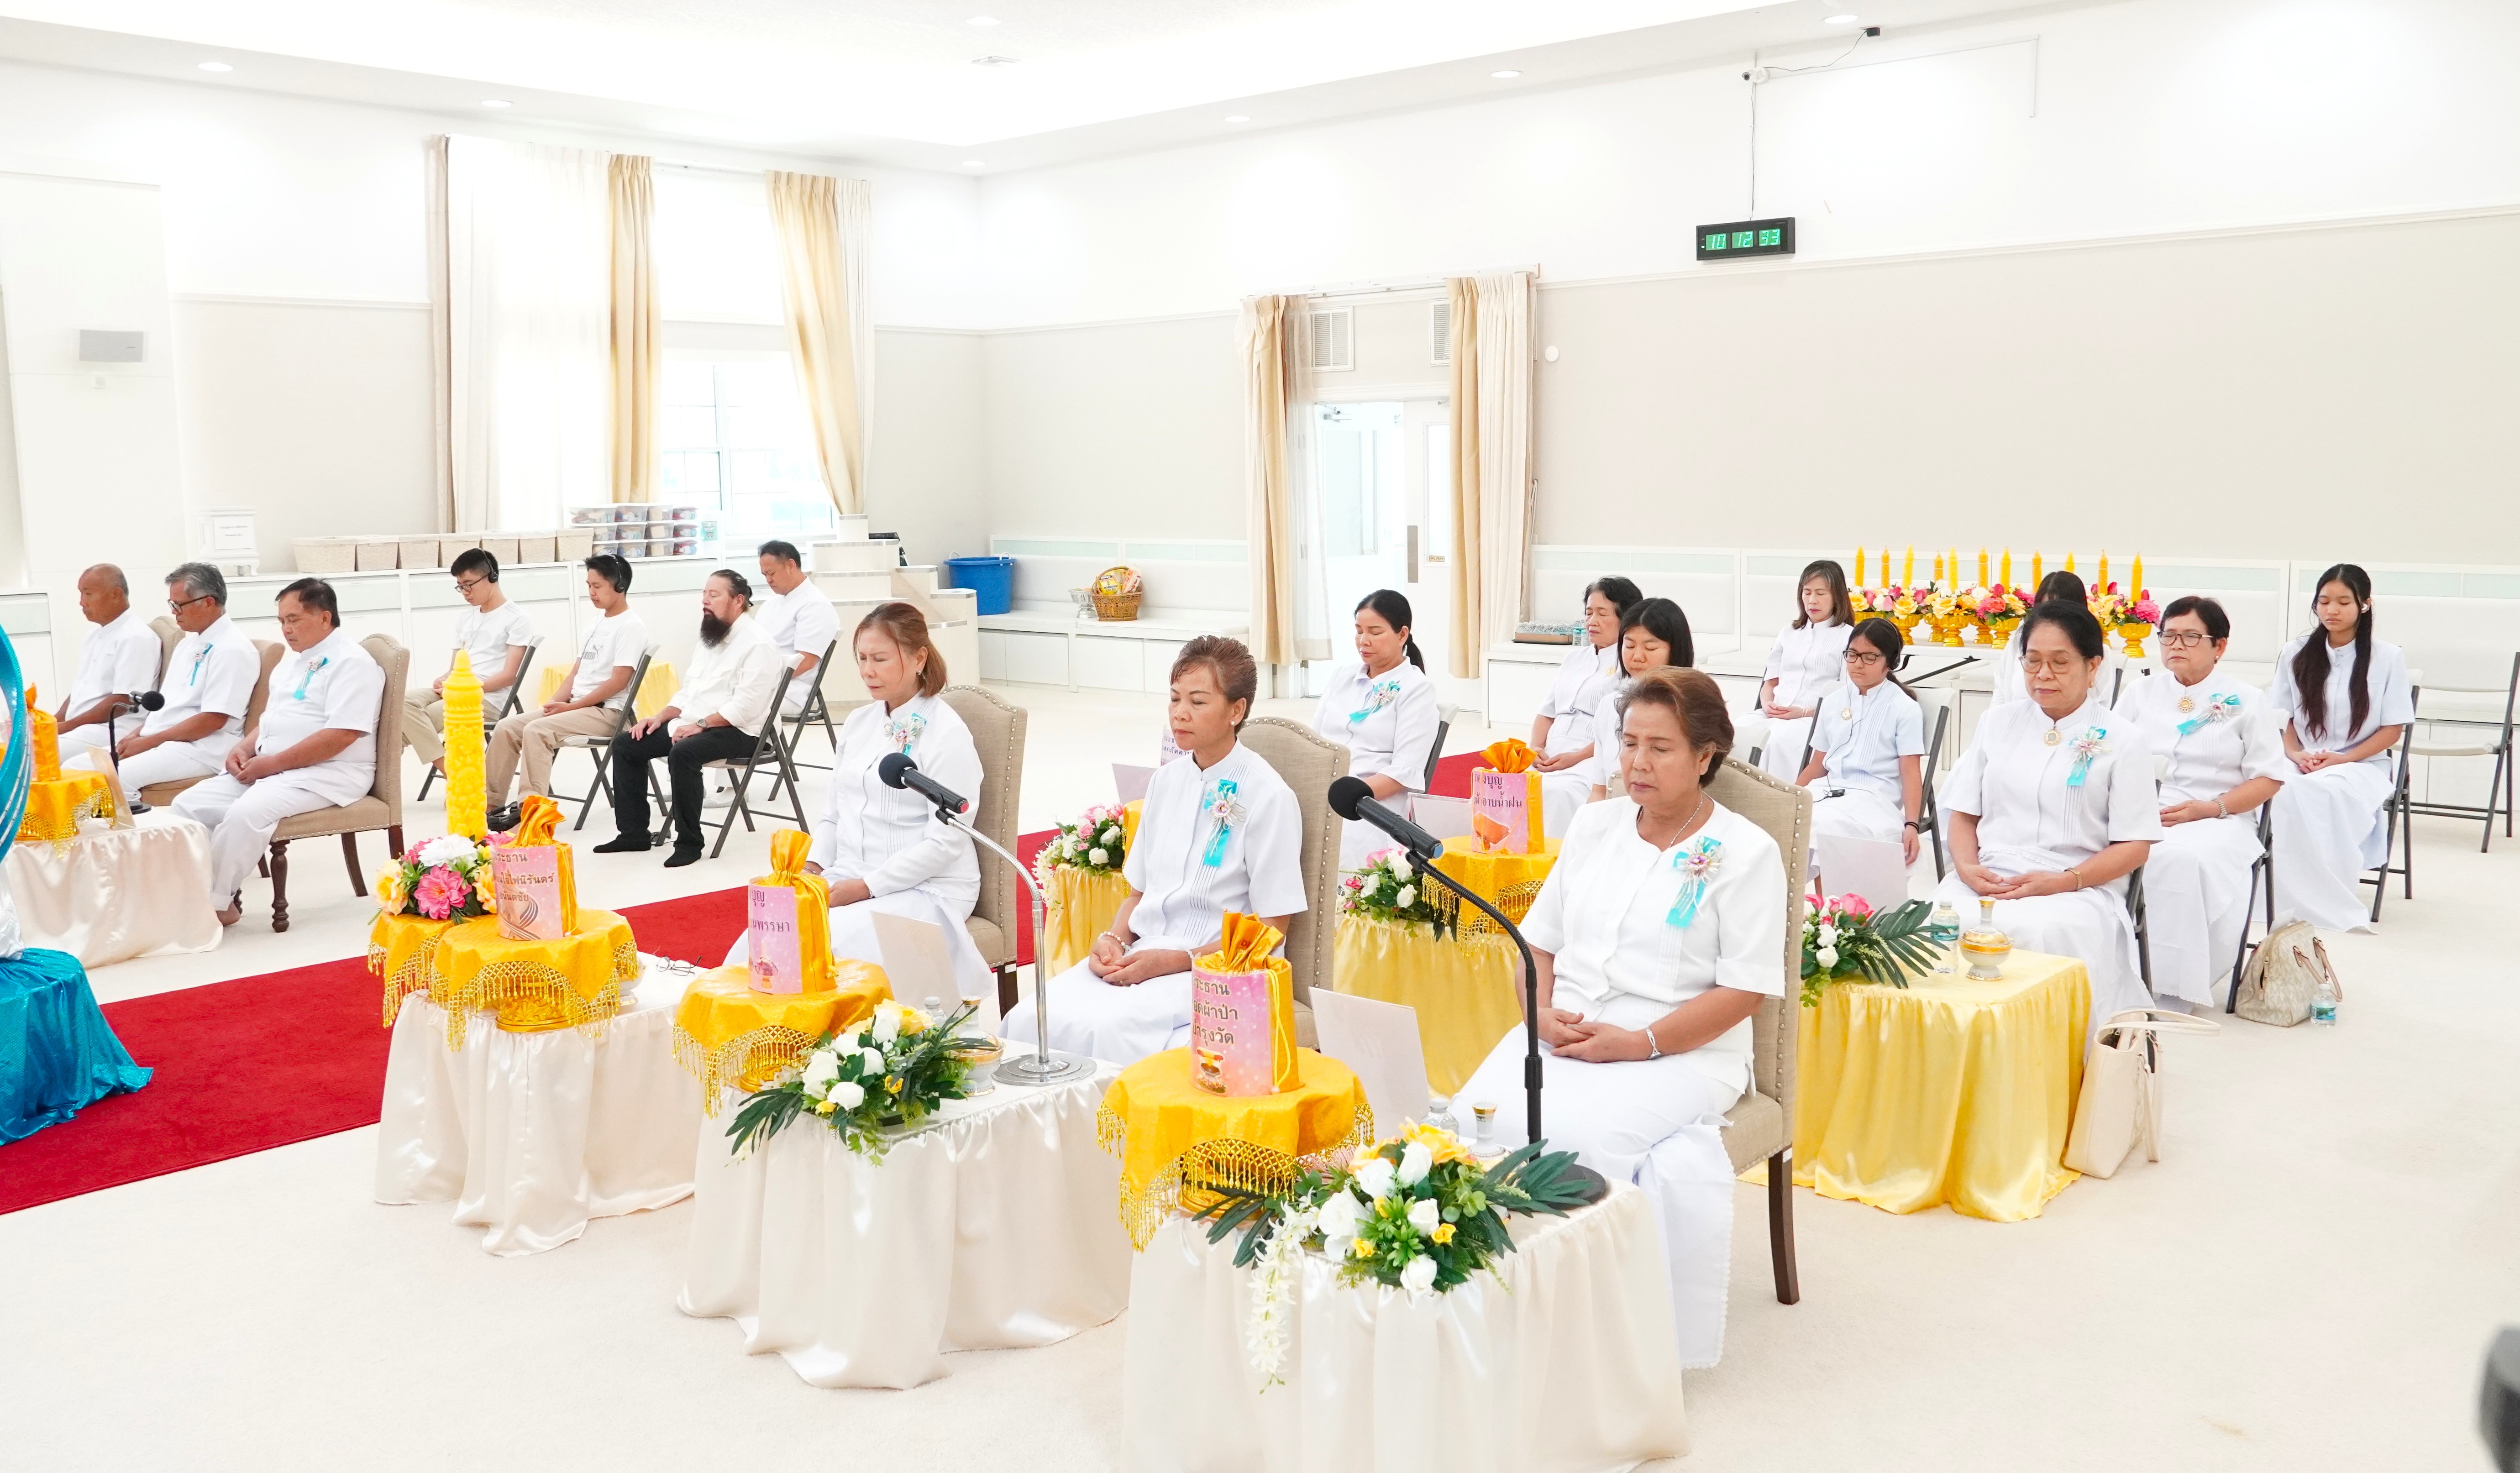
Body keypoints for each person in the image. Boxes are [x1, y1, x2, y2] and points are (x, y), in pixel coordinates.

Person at [1453, 667, 1784, 1370]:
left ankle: (1584, 1346)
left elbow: (1745, 989)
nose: (1637, 761)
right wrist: (1537, 1014)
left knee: (1583, 1140)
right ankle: (1483, 1313)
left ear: (1706, 755)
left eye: (1660, 747)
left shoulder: (1747, 853)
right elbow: (1536, 943)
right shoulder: (1596, 824)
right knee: (1469, 1122)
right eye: (1629, 741)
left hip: (1683, 1049)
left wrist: (1638, 1043)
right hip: (1566, 1031)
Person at [1005, 636, 1304, 1064]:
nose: (1180, 713)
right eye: (1175, 699)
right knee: (1031, 1017)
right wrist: (1112, 939)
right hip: (1147, 952)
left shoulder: (1268, 795)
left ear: (1236, 711)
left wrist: (1176, 960)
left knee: (1108, 1032)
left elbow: (1272, 927)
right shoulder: (1166, 782)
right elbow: (1138, 894)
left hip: (1222, 968)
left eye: (1198, 702)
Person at [716, 602, 992, 1012]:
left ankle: (828, 1053)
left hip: (928, 887)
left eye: (880, 659)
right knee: (764, 935)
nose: (868, 671)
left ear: (919, 658)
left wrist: (864, 888)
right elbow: (834, 814)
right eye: (862, 658)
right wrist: (809, 872)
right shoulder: (860, 723)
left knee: (830, 940)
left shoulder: (946, 733)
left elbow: (946, 844)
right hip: (850, 872)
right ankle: (771, 1049)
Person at [1936, 600, 2162, 1026]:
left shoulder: (2123, 738)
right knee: (1931, 918)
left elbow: (2136, 845)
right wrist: (1967, 868)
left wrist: (2064, 881)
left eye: (2060, 662)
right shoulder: (1997, 722)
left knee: (2037, 933)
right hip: (1991, 873)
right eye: (2033, 661)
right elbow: (1964, 813)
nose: (2043, 675)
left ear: (2093, 665)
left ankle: (2039, 1059)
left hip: (2078, 884)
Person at [172, 579, 384, 926]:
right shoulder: (295, 659)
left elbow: (342, 734)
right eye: (282, 620)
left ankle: (218, 903)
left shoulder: (352, 662)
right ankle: (190, 892)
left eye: (294, 619)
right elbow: (274, 718)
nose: (286, 629)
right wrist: (242, 747)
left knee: (245, 814)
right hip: (272, 765)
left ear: (325, 617)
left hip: (329, 772)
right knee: (188, 805)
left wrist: (271, 764)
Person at [2114, 596, 2286, 1008]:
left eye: (2190, 636)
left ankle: (2172, 986)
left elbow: (2268, 778)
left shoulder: (2246, 699)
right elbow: (2111, 753)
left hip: (2219, 815)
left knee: (2181, 860)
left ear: (2219, 647)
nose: (2176, 645)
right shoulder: (2140, 692)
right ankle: (2111, 967)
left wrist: (2209, 808)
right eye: (2169, 635)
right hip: (2144, 806)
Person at [596, 568, 782, 866]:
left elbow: (747, 707)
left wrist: (701, 724)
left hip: (744, 731)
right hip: (699, 724)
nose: (705, 600)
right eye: (704, 594)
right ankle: (634, 833)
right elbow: (689, 692)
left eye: (714, 594)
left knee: (684, 753)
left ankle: (689, 842)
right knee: (627, 744)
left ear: (739, 600)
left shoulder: (758, 643)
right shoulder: (711, 636)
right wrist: (659, 718)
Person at [2267, 564, 2413, 932]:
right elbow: (2280, 717)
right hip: (2301, 757)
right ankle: (2277, 892)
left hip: (2361, 763)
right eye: (2324, 601)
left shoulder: (2387, 656)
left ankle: (2323, 891)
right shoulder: (2296, 651)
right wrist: (2296, 754)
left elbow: (2392, 729)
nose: (2332, 610)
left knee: (2325, 792)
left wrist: (2343, 758)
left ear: (2364, 604)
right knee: (2272, 788)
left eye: (2343, 602)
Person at [487, 555, 647, 822]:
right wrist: (552, 705)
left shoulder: (631, 627)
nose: (591, 593)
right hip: (579, 707)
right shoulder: (595, 623)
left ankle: (531, 813)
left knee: (537, 731)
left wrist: (570, 708)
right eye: (589, 585)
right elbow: (576, 673)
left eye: (597, 586)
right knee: (507, 727)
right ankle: (490, 805)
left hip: (608, 714)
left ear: (619, 585)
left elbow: (619, 681)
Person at [94, 563, 261, 807]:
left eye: (179, 605)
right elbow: (167, 705)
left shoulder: (233, 649)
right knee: (82, 767)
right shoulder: (188, 644)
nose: (175, 613)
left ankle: (148, 839)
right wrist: (136, 735)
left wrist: (149, 741)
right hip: (167, 740)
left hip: (201, 748)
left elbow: (213, 720)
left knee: (111, 779)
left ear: (208, 602)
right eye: (172, 605)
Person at [1309, 589, 1440, 867]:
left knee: (1344, 838)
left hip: (1370, 801)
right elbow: (1314, 742)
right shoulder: (1342, 676)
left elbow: (1404, 772)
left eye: (1375, 632)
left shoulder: (1416, 689)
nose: (1363, 641)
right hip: (1323, 787)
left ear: (1402, 635)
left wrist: (1348, 797)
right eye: (1358, 631)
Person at [1795, 616, 1926, 870]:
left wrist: (1912, 824)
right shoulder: (1833, 701)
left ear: (1891, 662)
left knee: (1824, 826)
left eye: (1870, 657)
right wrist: (1788, 797)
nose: (1858, 664)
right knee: (1791, 820)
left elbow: (1911, 773)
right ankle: (1817, 908)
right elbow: (1818, 765)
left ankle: (1829, 908)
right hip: (1829, 791)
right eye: (1852, 655)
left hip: (1874, 798)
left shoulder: (1904, 709)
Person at [1527, 576, 1640, 834]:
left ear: (1625, 619)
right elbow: (1546, 713)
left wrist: (1574, 758)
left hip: (1588, 759)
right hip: (1548, 757)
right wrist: (1536, 747)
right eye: (1588, 613)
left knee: (1555, 794)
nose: (1592, 621)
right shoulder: (1573, 658)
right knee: (1500, 785)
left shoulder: (1630, 663)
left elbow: (1616, 731)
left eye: (1602, 614)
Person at [404, 548, 534, 774]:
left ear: (491, 577)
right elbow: (455, 668)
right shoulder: (466, 618)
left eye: (469, 585)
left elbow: (509, 676)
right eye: (460, 587)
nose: (464, 592)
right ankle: (452, 771)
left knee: (412, 723)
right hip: (457, 689)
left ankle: (457, 777)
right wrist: (444, 679)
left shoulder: (517, 619)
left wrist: (464, 690)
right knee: (401, 703)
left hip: (487, 698)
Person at [1575, 596, 1692, 803]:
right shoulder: (1610, 705)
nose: (1637, 657)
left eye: (1650, 648)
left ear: (1675, 649)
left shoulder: (1692, 705)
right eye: (1629, 646)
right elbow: (1599, 792)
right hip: (1615, 817)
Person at [1751, 560, 1856, 781]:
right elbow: (1770, 683)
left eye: (1821, 593)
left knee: (1777, 741)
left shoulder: (1848, 636)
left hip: (1813, 719)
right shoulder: (1789, 632)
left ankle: (1779, 804)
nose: (1812, 600)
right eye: (1807, 593)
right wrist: (1767, 704)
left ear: (1837, 596)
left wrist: (1802, 712)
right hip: (1775, 714)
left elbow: (1846, 696)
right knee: (1735, 732)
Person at [53, 564, 166, 765]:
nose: (81, 602)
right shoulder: (94, 635)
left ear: (116, 594)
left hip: (112, 728)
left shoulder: (136, 637)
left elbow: (122, 701)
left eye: (88, 594)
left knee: (38, 756)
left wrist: (68, 726)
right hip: (82, 727)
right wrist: (55, 720)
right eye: (81, 594)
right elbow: (81, 689)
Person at [753, 540, 838, 718]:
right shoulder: (771, 604)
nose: (768, 580)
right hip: (762, 684)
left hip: (789, 692)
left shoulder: (815, 604)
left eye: (772, 573)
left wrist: (761, 679)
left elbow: (806, 661)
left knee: (729, 706)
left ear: (791, 565)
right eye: (764, 575)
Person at [1991, 570, 2090, 707]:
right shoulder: (2020, 639)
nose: (2050, 616)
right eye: (2033, 660)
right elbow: (2001, 691)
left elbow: (2100, 702)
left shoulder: (2094, 647)